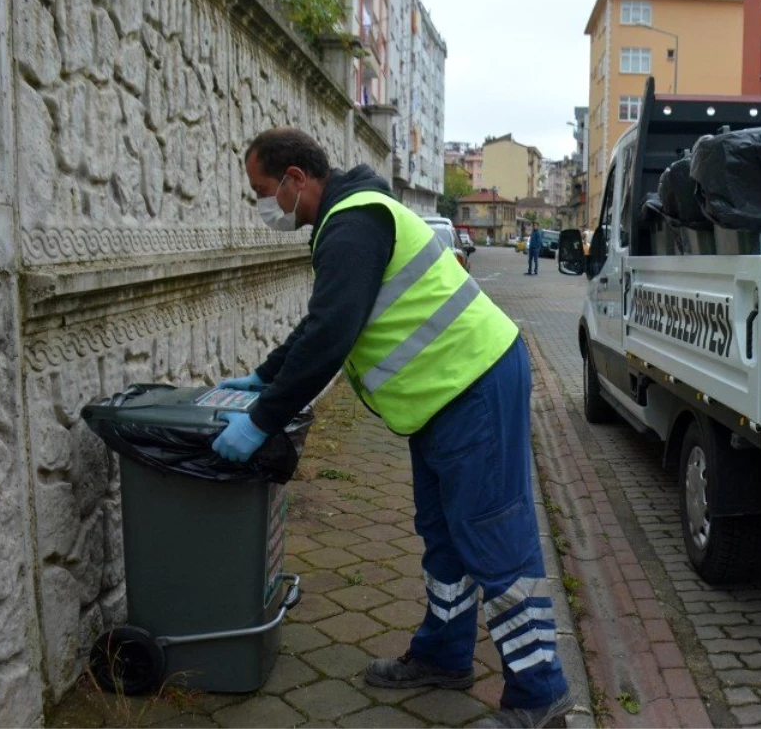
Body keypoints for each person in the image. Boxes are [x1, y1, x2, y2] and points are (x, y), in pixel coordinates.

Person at [212, 128, 571, 728]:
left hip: (473, 386)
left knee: (493, 538)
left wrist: (263, 419)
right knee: (442, 532)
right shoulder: (351, 219)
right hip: (444, 396)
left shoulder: (353, 225)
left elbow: (331, 335)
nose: (264, 204)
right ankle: (444, 654)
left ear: (296, 180)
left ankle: (541, 695)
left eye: (263, 190)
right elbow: (322, 322)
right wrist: (264, 375)